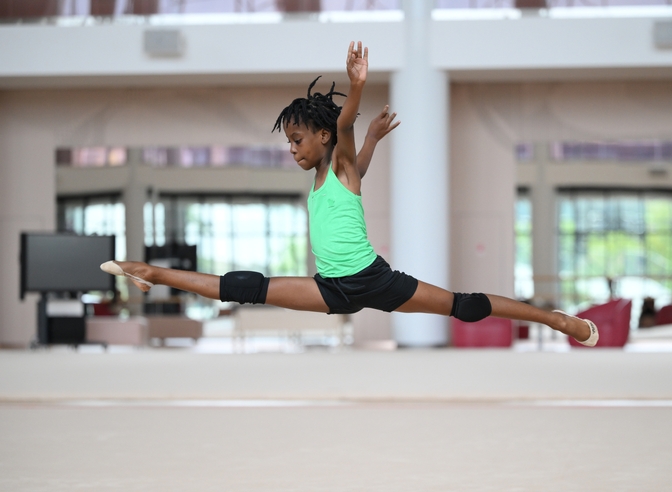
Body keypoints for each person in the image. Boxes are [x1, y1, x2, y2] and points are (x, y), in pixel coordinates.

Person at [101, 41, 598, 346]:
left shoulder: (335, 153)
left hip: (373, 279)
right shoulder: (331, 176)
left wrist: (357, 91)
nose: (292, 149)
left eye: (297, 140)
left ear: (321, 138)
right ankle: (151, 272)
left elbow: (343, 130)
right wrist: (376, 141)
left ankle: (555, 321)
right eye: (288, 143)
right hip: (332, 287)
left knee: (462, 306)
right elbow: (356, 171)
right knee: (245, 287)